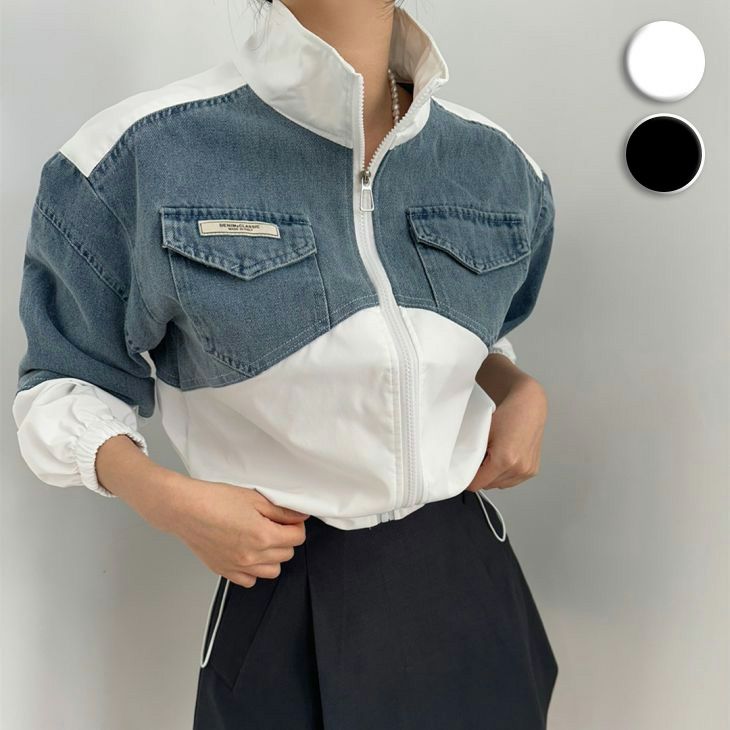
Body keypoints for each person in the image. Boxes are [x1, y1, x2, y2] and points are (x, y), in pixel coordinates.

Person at [12, 0, 558, 727]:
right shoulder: (137, 155)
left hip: (469, 573)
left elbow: (466, 340)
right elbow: (64, 380)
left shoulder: (497, 163)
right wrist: (164, 497)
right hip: (287, 580)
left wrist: (518, 389)